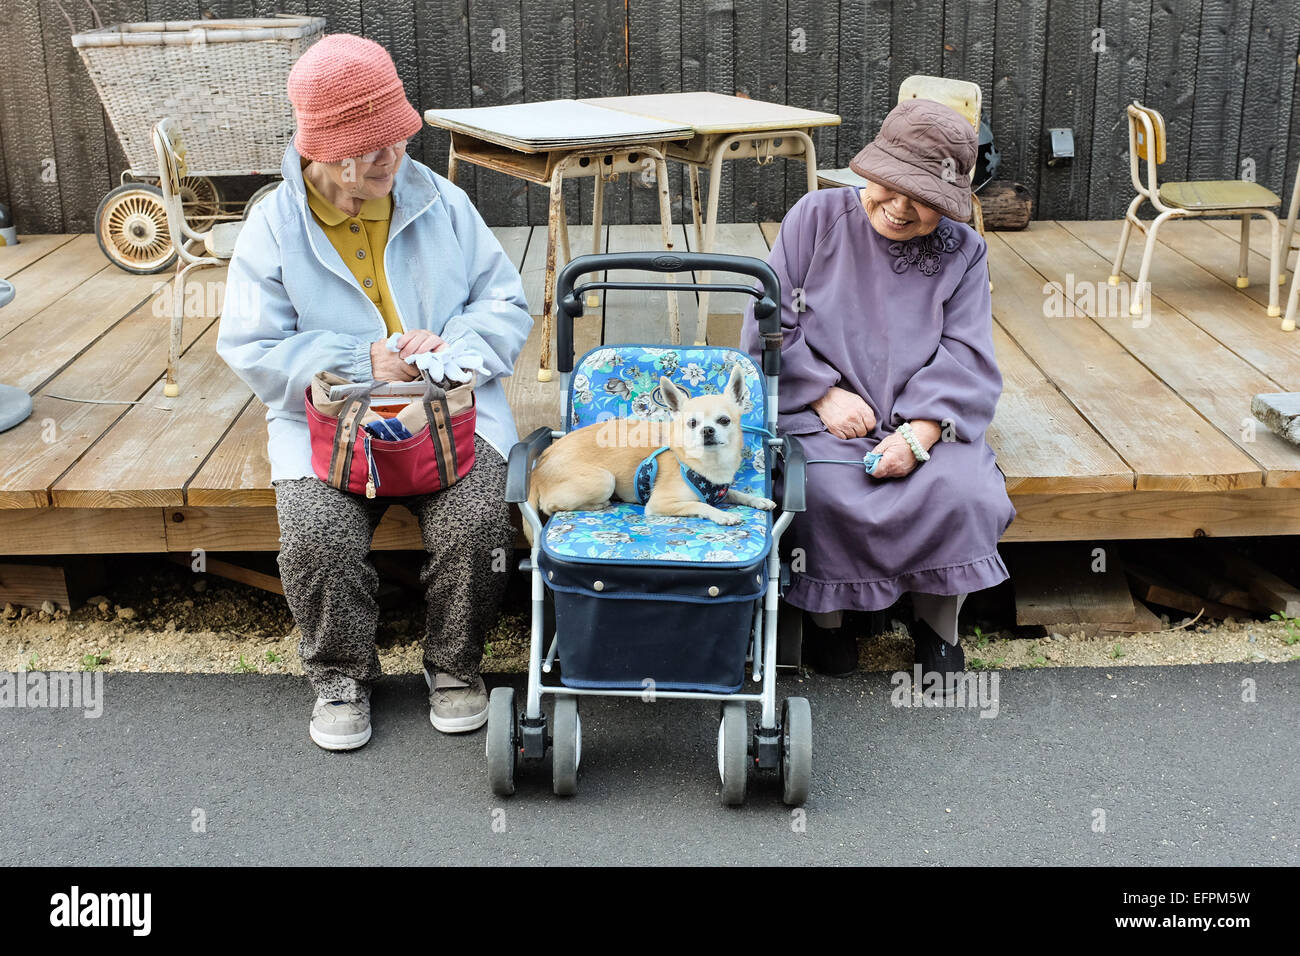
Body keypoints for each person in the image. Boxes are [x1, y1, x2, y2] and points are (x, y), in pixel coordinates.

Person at [216, 34, 532, 749]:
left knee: (479, 519)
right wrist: (360, 359)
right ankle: (339, 678)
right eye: (370, 146)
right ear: (321, 148)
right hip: (325, 419)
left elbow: (504, 303)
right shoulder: (272, 224)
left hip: (447, 408)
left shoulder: (442, 201)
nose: (391, 157)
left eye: (397, 137)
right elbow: (250, 348)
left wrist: (454, 350)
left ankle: (455, 667)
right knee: (316, 535)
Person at [741, 98, 1016, 679]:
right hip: (821, 414)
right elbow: (769, 322)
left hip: (926, 421)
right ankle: (828, 624)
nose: (898, 207)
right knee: (816, 487)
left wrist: (920, 433)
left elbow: (966, 353)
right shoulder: (815, 218)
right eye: (890, 187)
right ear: (873, 171)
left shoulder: (963, 252)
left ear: (949, 204)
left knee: (962, 490)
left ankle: (938, 628)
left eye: (922, 201)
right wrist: (821, 393)